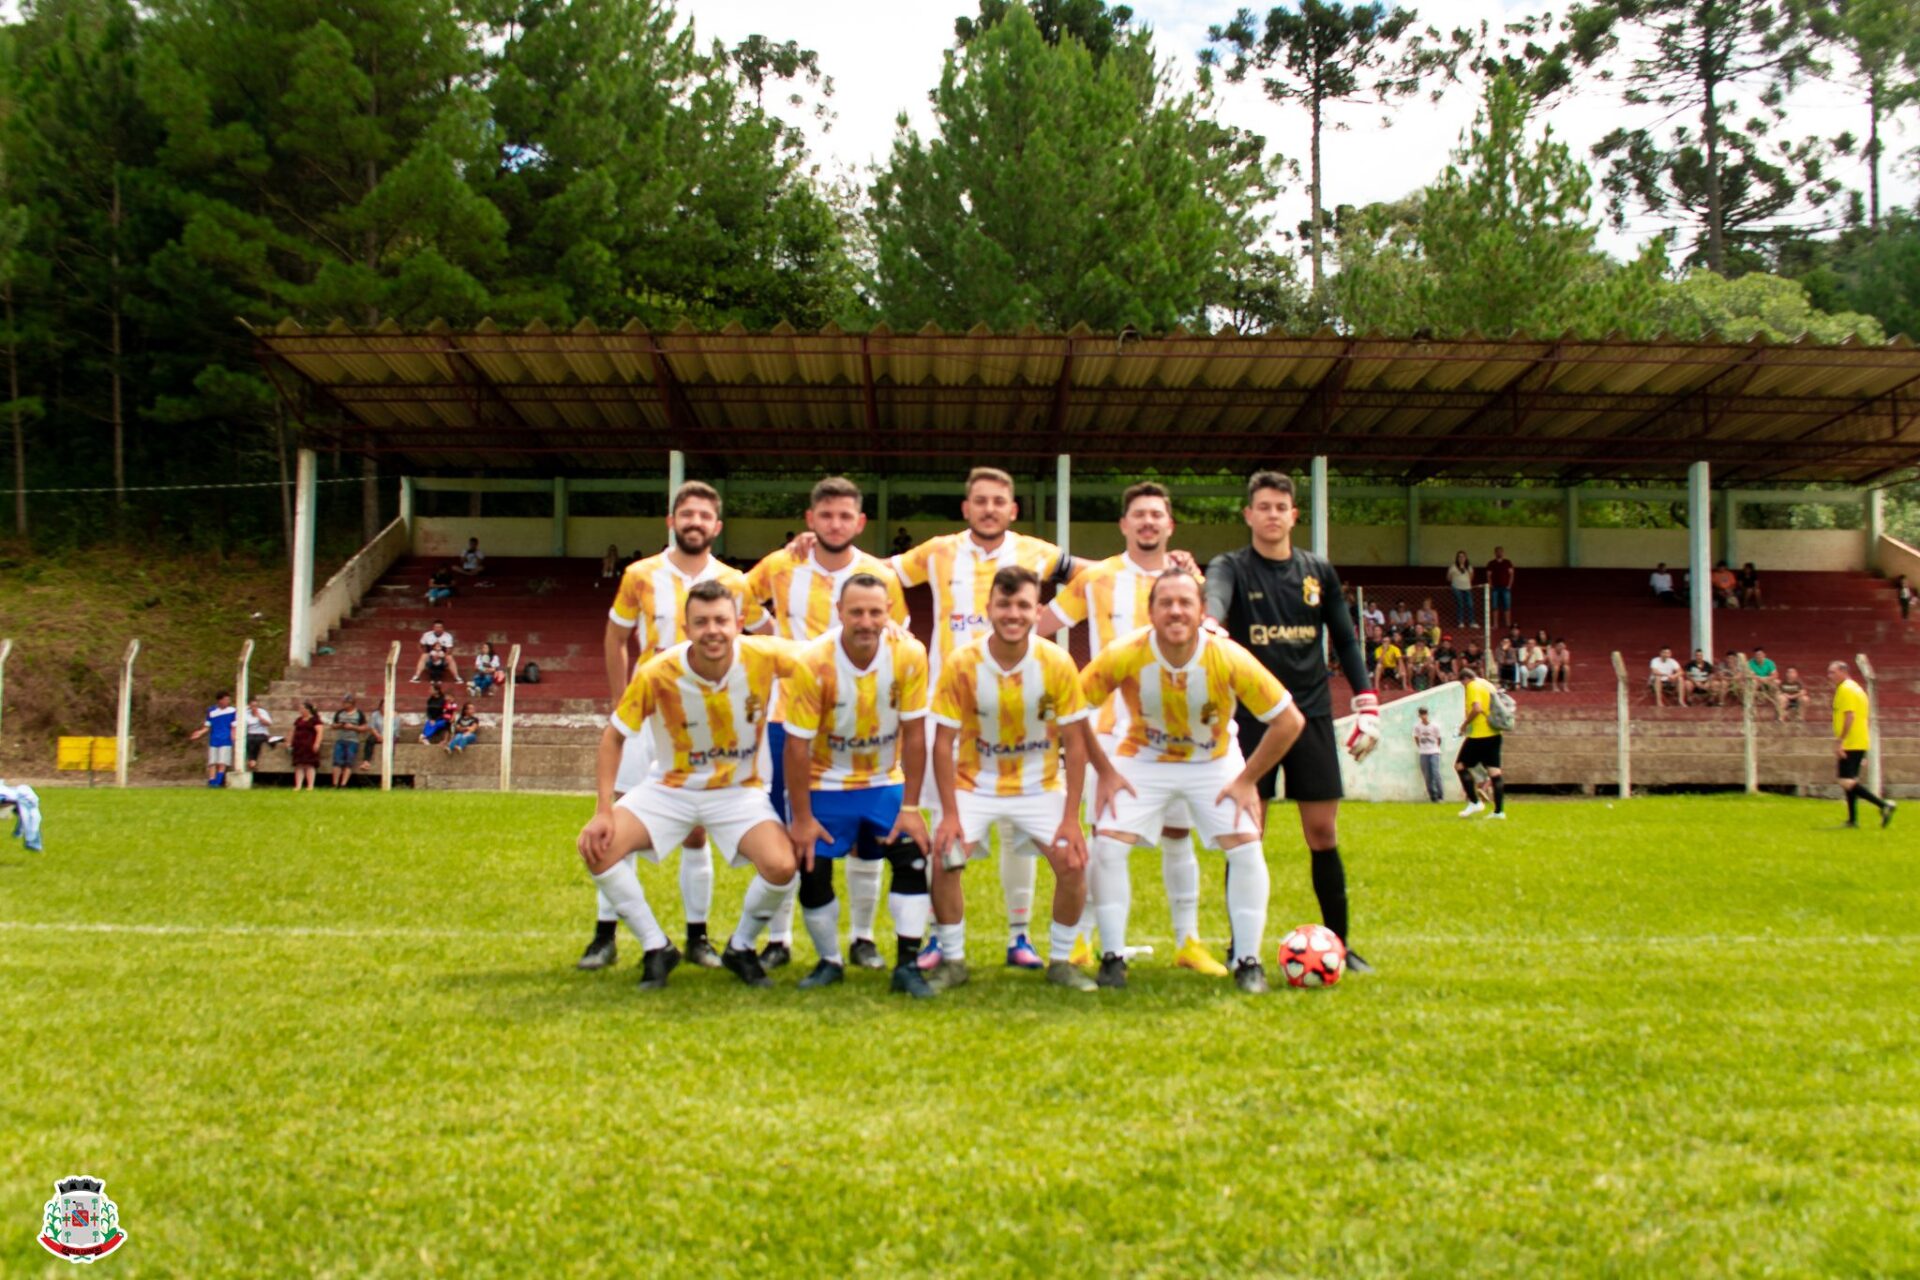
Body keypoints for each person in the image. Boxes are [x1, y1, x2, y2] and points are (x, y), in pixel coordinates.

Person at [1079, 572, 1307, 992]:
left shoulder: (1226, 656)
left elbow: (1289, 720)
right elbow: (1071, 711)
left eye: (1185, 602)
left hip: (1212, 761)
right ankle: (1112, 958)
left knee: (1246, 848)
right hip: (1142, 760)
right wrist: (1105, 770)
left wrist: (1247, 781)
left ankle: (1248, 961)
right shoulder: (1126, 653)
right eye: (1165, 602)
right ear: (1150, 612)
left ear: (1202, 611)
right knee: (1107, 845)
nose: (1176, 610)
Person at [890, 467, 1078, 973]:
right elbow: (878, 573)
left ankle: (1020, 937)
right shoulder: (936, 551)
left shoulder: (1037, 552)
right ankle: (939, 938)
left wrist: (1177, 564)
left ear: (1012, 509)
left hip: (1021, 713)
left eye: (999, 501)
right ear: (966, 508)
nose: (990, 508)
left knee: (1022, 836)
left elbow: (1101, 574)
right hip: (951, 709)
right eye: (981, 501)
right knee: (945, 830)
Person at [575, 581, 807, 991]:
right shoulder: (658, 673)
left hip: (738, 791)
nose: (712, 630)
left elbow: (826, 654)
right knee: (597, 849)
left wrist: (891, 631)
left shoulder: (764, 655)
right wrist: (602, 809)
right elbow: (613, 736)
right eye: (701, 622)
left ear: (738, 623)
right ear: (686, 627)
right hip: (670, 788)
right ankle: (656, 947)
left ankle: (740, 947)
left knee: (783, 865)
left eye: (721, 620)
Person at [1037, 481, 1227, 975]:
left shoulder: (1188, 580)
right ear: (1123, 525)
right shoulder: (1097, 578)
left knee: (1177, 832)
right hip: (1108, 731)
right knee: (1106, 838)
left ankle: (1189, 942)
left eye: (1156, 515)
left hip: (1177, 727)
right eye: (1138, 515)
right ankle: (1083, 943)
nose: (1147, 523)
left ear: (1170, 525)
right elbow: (1039, 627)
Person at [582, 480, 771, 974]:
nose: (695, 522)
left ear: (717, 526)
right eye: (686, 514)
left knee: (696, 830)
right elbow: (615, 636)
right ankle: (605, 936)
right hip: (649, 718)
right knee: (617, 820)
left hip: (709, 723)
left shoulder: (736, 581)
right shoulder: (640, 574)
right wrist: (618, 699)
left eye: (704, 516)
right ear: (672, 521)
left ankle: (697, 936)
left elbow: (768, 633)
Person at [1204, 471, 1381, 974]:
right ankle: (1243, 949)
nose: (1273, 514)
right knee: (1247, 835)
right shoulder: (1231, 567)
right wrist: (1212, 621)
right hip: (1251, 718)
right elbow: (1214, 596)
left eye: (1281, 506)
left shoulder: (1317, 571)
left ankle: (1340, 947)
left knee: (1322, 834)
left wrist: (1365, 695)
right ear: (1249, 515)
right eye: (1263, 506)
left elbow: (1345, 638)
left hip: (1310, 716)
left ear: (1293, 515)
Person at [746, 478, 909, 968]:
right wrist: (772, 637)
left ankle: (862, 938)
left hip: (861, 722)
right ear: (810, 520)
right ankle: (779, 940)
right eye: (826, 515)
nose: (835, 524)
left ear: (859, 523)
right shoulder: (780, 565)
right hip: (788, 719)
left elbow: (896, 635)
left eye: (844, 517)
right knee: (788, 830)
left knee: (866, 837)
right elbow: (738, 598)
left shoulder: (879, 575)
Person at [925, 566, 1096, 993]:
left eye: (1022, 605)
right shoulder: (962, 663)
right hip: (974, 784)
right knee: (944, 857)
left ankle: (1060, 961)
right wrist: (948, 814)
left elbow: (1076, 743)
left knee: (1074, 863)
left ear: (1037, 611)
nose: (1013, 614)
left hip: (1039, 786)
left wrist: (1072, 817)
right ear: (989, 609)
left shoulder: (1056, 662)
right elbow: (942, 742)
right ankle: (953, 960)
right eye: (1004, 604)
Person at [780, 573, 935, 995]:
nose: (866, 621)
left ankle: (907, 966)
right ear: (839, 613)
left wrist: (911, 806)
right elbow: (796, 747)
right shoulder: (814, 661)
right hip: (824, 782)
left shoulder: (909, 654)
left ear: (889, 613)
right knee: (811, 866)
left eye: (875, 612)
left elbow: (917, 733)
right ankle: (829, 960)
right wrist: (803, 818)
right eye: (856, 612)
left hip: (884, 780)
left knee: (914, 856)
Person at [1828, 660, 1895, 829]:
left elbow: (1849, 716)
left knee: (1845, 781)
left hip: (1850, 742)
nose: (1830, 676)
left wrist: (1840, 741)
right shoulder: (1858, 689)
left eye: (1832, 672)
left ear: (1843, 672)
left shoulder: (1845, 690)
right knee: (1851, 780)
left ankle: (1883, 805)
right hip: (1860, 740)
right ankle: (1852, 820)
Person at [1455, 666, 1507, 819]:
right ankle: (1499, 812)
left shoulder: (1472, 686)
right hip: (1495, 733)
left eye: (1462, 685)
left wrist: (1464, 725)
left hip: (1479, 735)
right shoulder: (1487, 684)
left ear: (1465, 680)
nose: (1464, 688)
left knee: (1460, 766)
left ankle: (1475, 802)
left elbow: (1477, 708)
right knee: (1494, 772)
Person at [187, 692, 239, 788]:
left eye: (228, 699)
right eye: (225, 699)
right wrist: (199, 733)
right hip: (214, 739)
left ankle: (218, 782)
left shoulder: (232, 711)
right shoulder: (211, 711)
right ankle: (211, 782)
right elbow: (207, 726)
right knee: (212, 762)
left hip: (225, 739)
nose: (227, 701)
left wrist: (233, 735)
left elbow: (234, 726)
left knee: (222, 762)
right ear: (220, 700)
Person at [329, 694, 366, 787]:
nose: (345, 705)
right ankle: (335, 783)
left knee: (348, 762)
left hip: (352, 741)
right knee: (337, 762)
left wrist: (353, 727)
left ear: (352, 704)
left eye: (347, 703)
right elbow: (333, 725)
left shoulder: (359, 713)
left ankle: (343, 784)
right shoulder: (340, 713)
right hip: (340, 739)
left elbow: (364, 727)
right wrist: (340, 725)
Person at [1412, 706, 1445, 801]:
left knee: (1436, 773)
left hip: (1434, 752)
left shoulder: (1434, 726)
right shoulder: (1417, 727)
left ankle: (1440, 795)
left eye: (1425, 713)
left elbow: (1439, 738)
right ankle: (1433, 797)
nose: (1424, 716)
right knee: (1427, 775)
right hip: (1423, 752)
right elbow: (1416, 738)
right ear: (1419, 715)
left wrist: (1435, 747)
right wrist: (1421, 747)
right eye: (1422, 714)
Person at [289, 702, 322, 790]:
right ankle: (298, 785)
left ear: (307, 710)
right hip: (298, 744)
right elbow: (293, 731)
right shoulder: (298, 720)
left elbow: (320, 732)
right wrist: (289, 742)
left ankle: (310, 785)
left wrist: (317, 743)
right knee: (299, 765)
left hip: (309, 745)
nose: (300, 710)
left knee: (309, 765)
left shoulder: (315, 720)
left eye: (302, 708)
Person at [242, 697, 278, 772]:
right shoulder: (246, 713)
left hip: (262, 733)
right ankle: (252, 761)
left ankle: (253, 761)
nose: (254, 708)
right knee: (248, 741)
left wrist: (259, 717)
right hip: (250, 733)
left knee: (257, 740)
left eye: (256, 706)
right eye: (252, 706)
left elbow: (268, 723)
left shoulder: (262, 712)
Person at [1485, 546, 1515, 629]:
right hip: (1495, 588)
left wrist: (1509, 585)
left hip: (1505, 587)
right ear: (1495, 553)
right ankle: (1495, 624)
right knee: (1495, 606)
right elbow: (1488, 575)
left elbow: (1511, 574)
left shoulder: (1507, 562)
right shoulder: (1491, 563)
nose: (1499, 553)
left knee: (1507, 606)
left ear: (1503, 552)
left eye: (1500, 551)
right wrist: (1491, 585)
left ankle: (1508, 624)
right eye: (1497, 551)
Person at [1447, 551, 1475, 625]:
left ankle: (1471, 622)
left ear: (1466, 558)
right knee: (1460, 604)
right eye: (1459, 557)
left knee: (1470, 604)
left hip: (1467, 588)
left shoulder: (1469, 567)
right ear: (1457, 558)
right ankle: (1460, 622)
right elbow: (1448, 578)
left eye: (1463, 556)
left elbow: (1471, 578)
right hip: (1457, 588)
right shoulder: (1453, 567)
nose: (1461, 558)